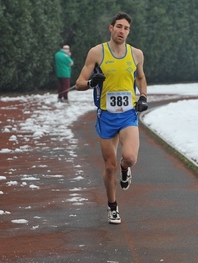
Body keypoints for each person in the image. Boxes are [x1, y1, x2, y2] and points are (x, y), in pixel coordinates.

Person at [75, 12, 148, 224]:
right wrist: (91, 82)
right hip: (106, 116)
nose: (122, 31)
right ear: (111, 28)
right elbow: (79, 81)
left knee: (130, 157)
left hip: (127, 115)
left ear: (129, 31)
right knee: (109, 167)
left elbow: (141, 77)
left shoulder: (136, 54)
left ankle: (126, 170)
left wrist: (142, 96)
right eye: (119, 27)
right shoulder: (97, 52)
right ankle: (112, 206)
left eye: (126, 28)